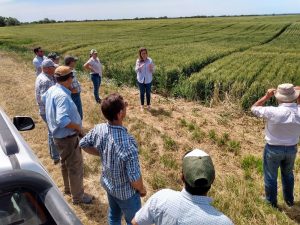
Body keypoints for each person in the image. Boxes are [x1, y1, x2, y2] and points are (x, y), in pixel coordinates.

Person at [79, 93, 146, 225]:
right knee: (134, 221)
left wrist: (103, 153)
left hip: (109, 186)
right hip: (127, 195)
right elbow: (134, 180)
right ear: (120, 114)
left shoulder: (99, 129)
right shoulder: (128, 144)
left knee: (114, 215)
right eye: (124, 108)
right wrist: (142, 189)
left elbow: (83, 144)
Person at [131, 149, 233, 225]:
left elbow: (136, 223)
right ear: (213, 179)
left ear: (182, 177)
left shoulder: (162, 198)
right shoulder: (223, 222)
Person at [42, 66, 93, 205]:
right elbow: (62, 120)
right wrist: (77, 127)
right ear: (68, 79)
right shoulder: (62, 96)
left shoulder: (52, 90)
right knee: (75, 167)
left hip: (58, 137)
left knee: (65, 164)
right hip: (68, 138)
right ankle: (78, 197)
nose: (73, 79)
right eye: (72, 77)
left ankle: (68, 189)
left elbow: (43, 98)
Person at [251, 83, 300, 207]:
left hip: (273, 149)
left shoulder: (272, 111)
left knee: (271, 176)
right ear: (295, 96)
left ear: (278, 97)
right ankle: (289, 200)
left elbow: (254, 108)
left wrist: (266, 96)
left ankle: (271, 202)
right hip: (291, 149)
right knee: (288, 175)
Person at [35, 59, 60, 164]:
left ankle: (55, 155)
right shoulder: (46, 81)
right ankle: (55, 157)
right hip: (47, 111)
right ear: (46, 69)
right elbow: (44, 98)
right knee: (53, 132)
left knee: (51, 132)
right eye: (53, 67)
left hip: (47, 110)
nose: (55, 68)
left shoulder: (46, 77)